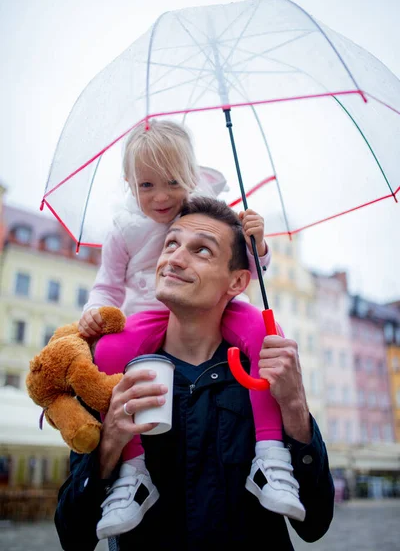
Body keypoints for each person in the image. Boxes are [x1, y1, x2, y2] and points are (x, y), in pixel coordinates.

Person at [55, 197, 335, 551]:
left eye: (201, 250)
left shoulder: (263, 378)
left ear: (236, 283)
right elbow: (73, 537)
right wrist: (109, 444)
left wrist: (294, 405)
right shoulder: (113, 378)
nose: (174, 258)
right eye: (171, 243)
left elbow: (315, 523)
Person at [78, 119, 304, 540]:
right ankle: (132, 470)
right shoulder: (123, 228)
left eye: (173, 182)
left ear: (193, 175)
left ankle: (270, 454)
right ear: (129, 184)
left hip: (218, 312)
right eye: (146, 186)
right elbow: (107, 285)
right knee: (107, 353)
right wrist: (95, 313)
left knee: (261, 333)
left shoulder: (203, 212)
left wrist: (259, 244)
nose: (161, 197)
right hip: (148, 313)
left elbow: (247, 270)